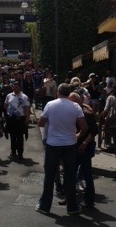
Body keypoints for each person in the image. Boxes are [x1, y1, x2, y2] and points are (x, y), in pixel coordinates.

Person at [36, 83, 88, 216]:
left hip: (53, 144)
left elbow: (40, 123)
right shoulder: (76, 106)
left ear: (57, 93)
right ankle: (72, 207)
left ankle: (44, 205)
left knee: (50, 175)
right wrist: (76, 135)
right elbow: (84, 127)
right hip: (70, 144)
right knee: (70, 175)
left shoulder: (50, 105)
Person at [68, 91, 97, 209]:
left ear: (79, 101)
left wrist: (85, 143)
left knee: (87, 174)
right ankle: (70, 198)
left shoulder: (86, 113)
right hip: (73, 146)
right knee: (70, 173)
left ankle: (89, 201)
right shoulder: (69, 113)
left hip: (85, 147)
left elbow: (93, 131)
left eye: (72, 102)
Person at [4, 81, 30, 160]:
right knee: (12, 135)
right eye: (14, 87)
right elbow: (5, 105)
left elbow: (27, 108)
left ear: (20, 87)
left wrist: (27, 118)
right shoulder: (9, 96)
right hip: (11, 118)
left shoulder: (24, 97)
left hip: (20, 118)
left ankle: (20, 152)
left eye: (17, 87)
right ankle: (13, 151)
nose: (15, 88)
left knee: (20, 136)